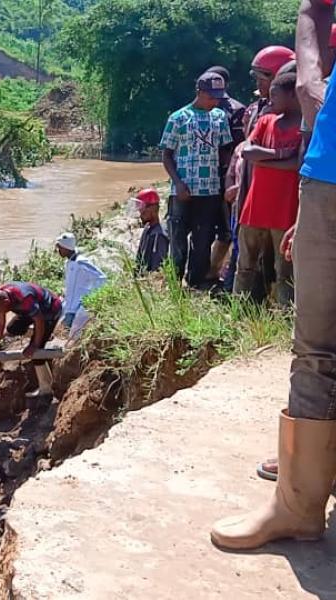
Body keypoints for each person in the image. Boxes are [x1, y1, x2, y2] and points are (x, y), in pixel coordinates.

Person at [210, 0, 336, 551]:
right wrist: (311, 79)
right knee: (314, 346)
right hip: (329, 173)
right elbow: (315, 16)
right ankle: (299, 503)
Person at [234, 72, 302, 307]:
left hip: (286, 211)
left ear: (293, 94)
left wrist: (265, 158)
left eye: (275, 94)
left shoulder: (305, 126)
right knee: (245, 266)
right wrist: (282, 155)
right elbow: (248, 152)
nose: (269, 99)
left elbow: (299, 165)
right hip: (254, 208)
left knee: (285, 271)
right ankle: (239, 314)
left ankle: (285, 320)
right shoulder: (265, 121)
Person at [160, 72, 233, 289]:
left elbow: (225, 150)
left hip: (210, 191)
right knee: (178, 240)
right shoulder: (178, 118)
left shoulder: (219, 118)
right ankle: (174, 283)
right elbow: (166, 155)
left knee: (203, 241)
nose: (215, 101)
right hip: (183, 191)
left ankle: (195, 283)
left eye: (218, 97)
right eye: (211, 96)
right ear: (199, 92)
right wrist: (178, 183)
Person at [0, 282, 63, 400]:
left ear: (6, 302)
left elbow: (39, 320)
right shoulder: (1, 295)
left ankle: (46, 389)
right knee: (12, 328)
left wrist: (34, 345)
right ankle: (39, 334)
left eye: (3, 310)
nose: (2, 313)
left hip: (50, 310)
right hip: (31, 311)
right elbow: (0, 323)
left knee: (36, 355)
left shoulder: (24, 298)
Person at [205, 65, 247, 279]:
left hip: (221, 178)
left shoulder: (236, 111)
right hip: (211, 178)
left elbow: (238, 151)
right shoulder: (236, 109)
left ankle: (213, 272)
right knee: (215, 227)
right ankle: (211, 271)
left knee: (225, 228)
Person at [55, 232, 107, 338]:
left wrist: (89, 297)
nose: (58, 251)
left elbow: (101, 278)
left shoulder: (81, 262)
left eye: (60, 248)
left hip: (78, 306)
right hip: (69, 305)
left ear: (66, 247)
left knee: (73, 336)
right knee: (62, 333)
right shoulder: (69, 262)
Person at [133, 188, 170, 274]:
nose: (140, 212)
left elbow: (157, 271)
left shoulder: (159, 236)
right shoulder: (147, 229)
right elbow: (138, 261)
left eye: (142, 208)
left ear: (153, 209)